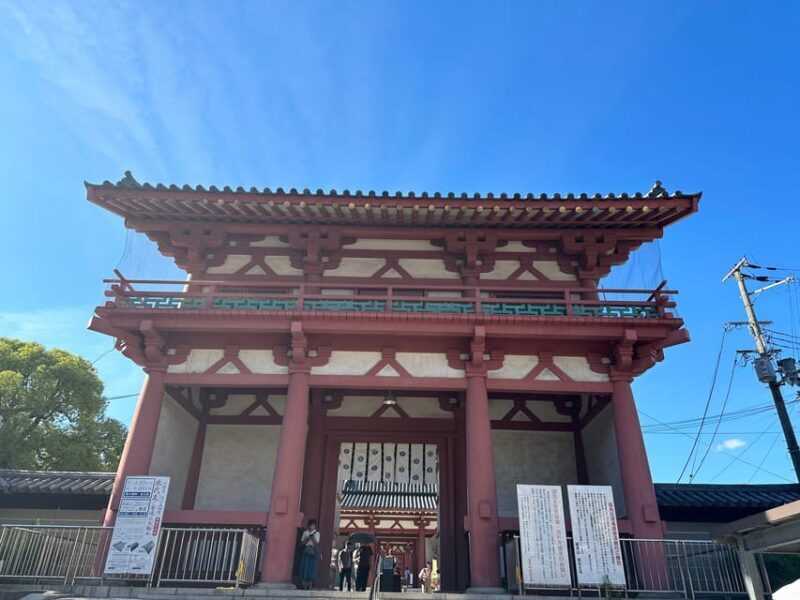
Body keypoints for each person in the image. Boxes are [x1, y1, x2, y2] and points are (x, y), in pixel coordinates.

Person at [298, 519, 320, 590]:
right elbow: (301, 543)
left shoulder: (317, 533)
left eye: (313, 525)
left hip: (312, 551)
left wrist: (313, 539)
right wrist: (307, 539)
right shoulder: (305, 533)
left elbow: (317, 544)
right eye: (311, 525)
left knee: (311, 568)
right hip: (306, 550)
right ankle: (304, 584)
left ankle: (310, 584)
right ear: (309, 525)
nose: (312, 527)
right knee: (305, 567)